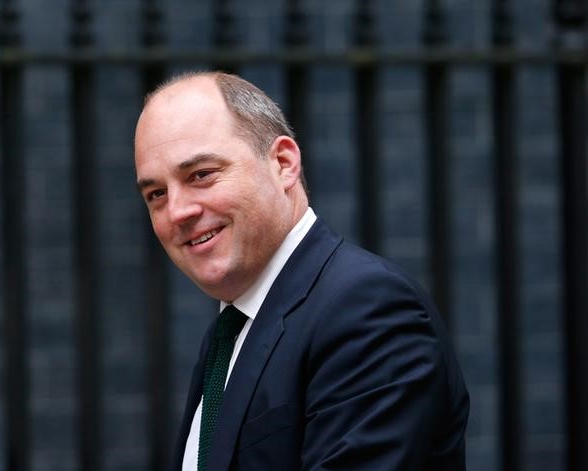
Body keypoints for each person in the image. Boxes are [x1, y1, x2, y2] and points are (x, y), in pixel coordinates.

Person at [134, 71, 469, 471]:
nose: (177, 211)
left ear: (283, 163)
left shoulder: (366, 309)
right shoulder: (231, 332)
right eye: (157, 194)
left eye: (201, 175)